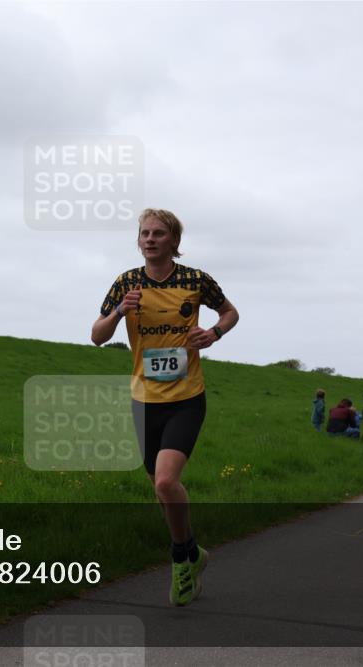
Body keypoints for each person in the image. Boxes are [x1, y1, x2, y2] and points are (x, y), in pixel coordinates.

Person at [91, 208, 239, 607]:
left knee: (164, 482)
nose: (150, 239)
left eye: (158, 233)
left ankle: (179, 560)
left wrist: (214, 333)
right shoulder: (127, 283)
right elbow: (97, 336)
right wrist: (120, 311)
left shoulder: (195, 280)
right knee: (161, 489)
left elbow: (230, 312)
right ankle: (193, 552)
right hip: (144, 400)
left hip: (186, 398)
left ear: (174, 241)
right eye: (145, 233)